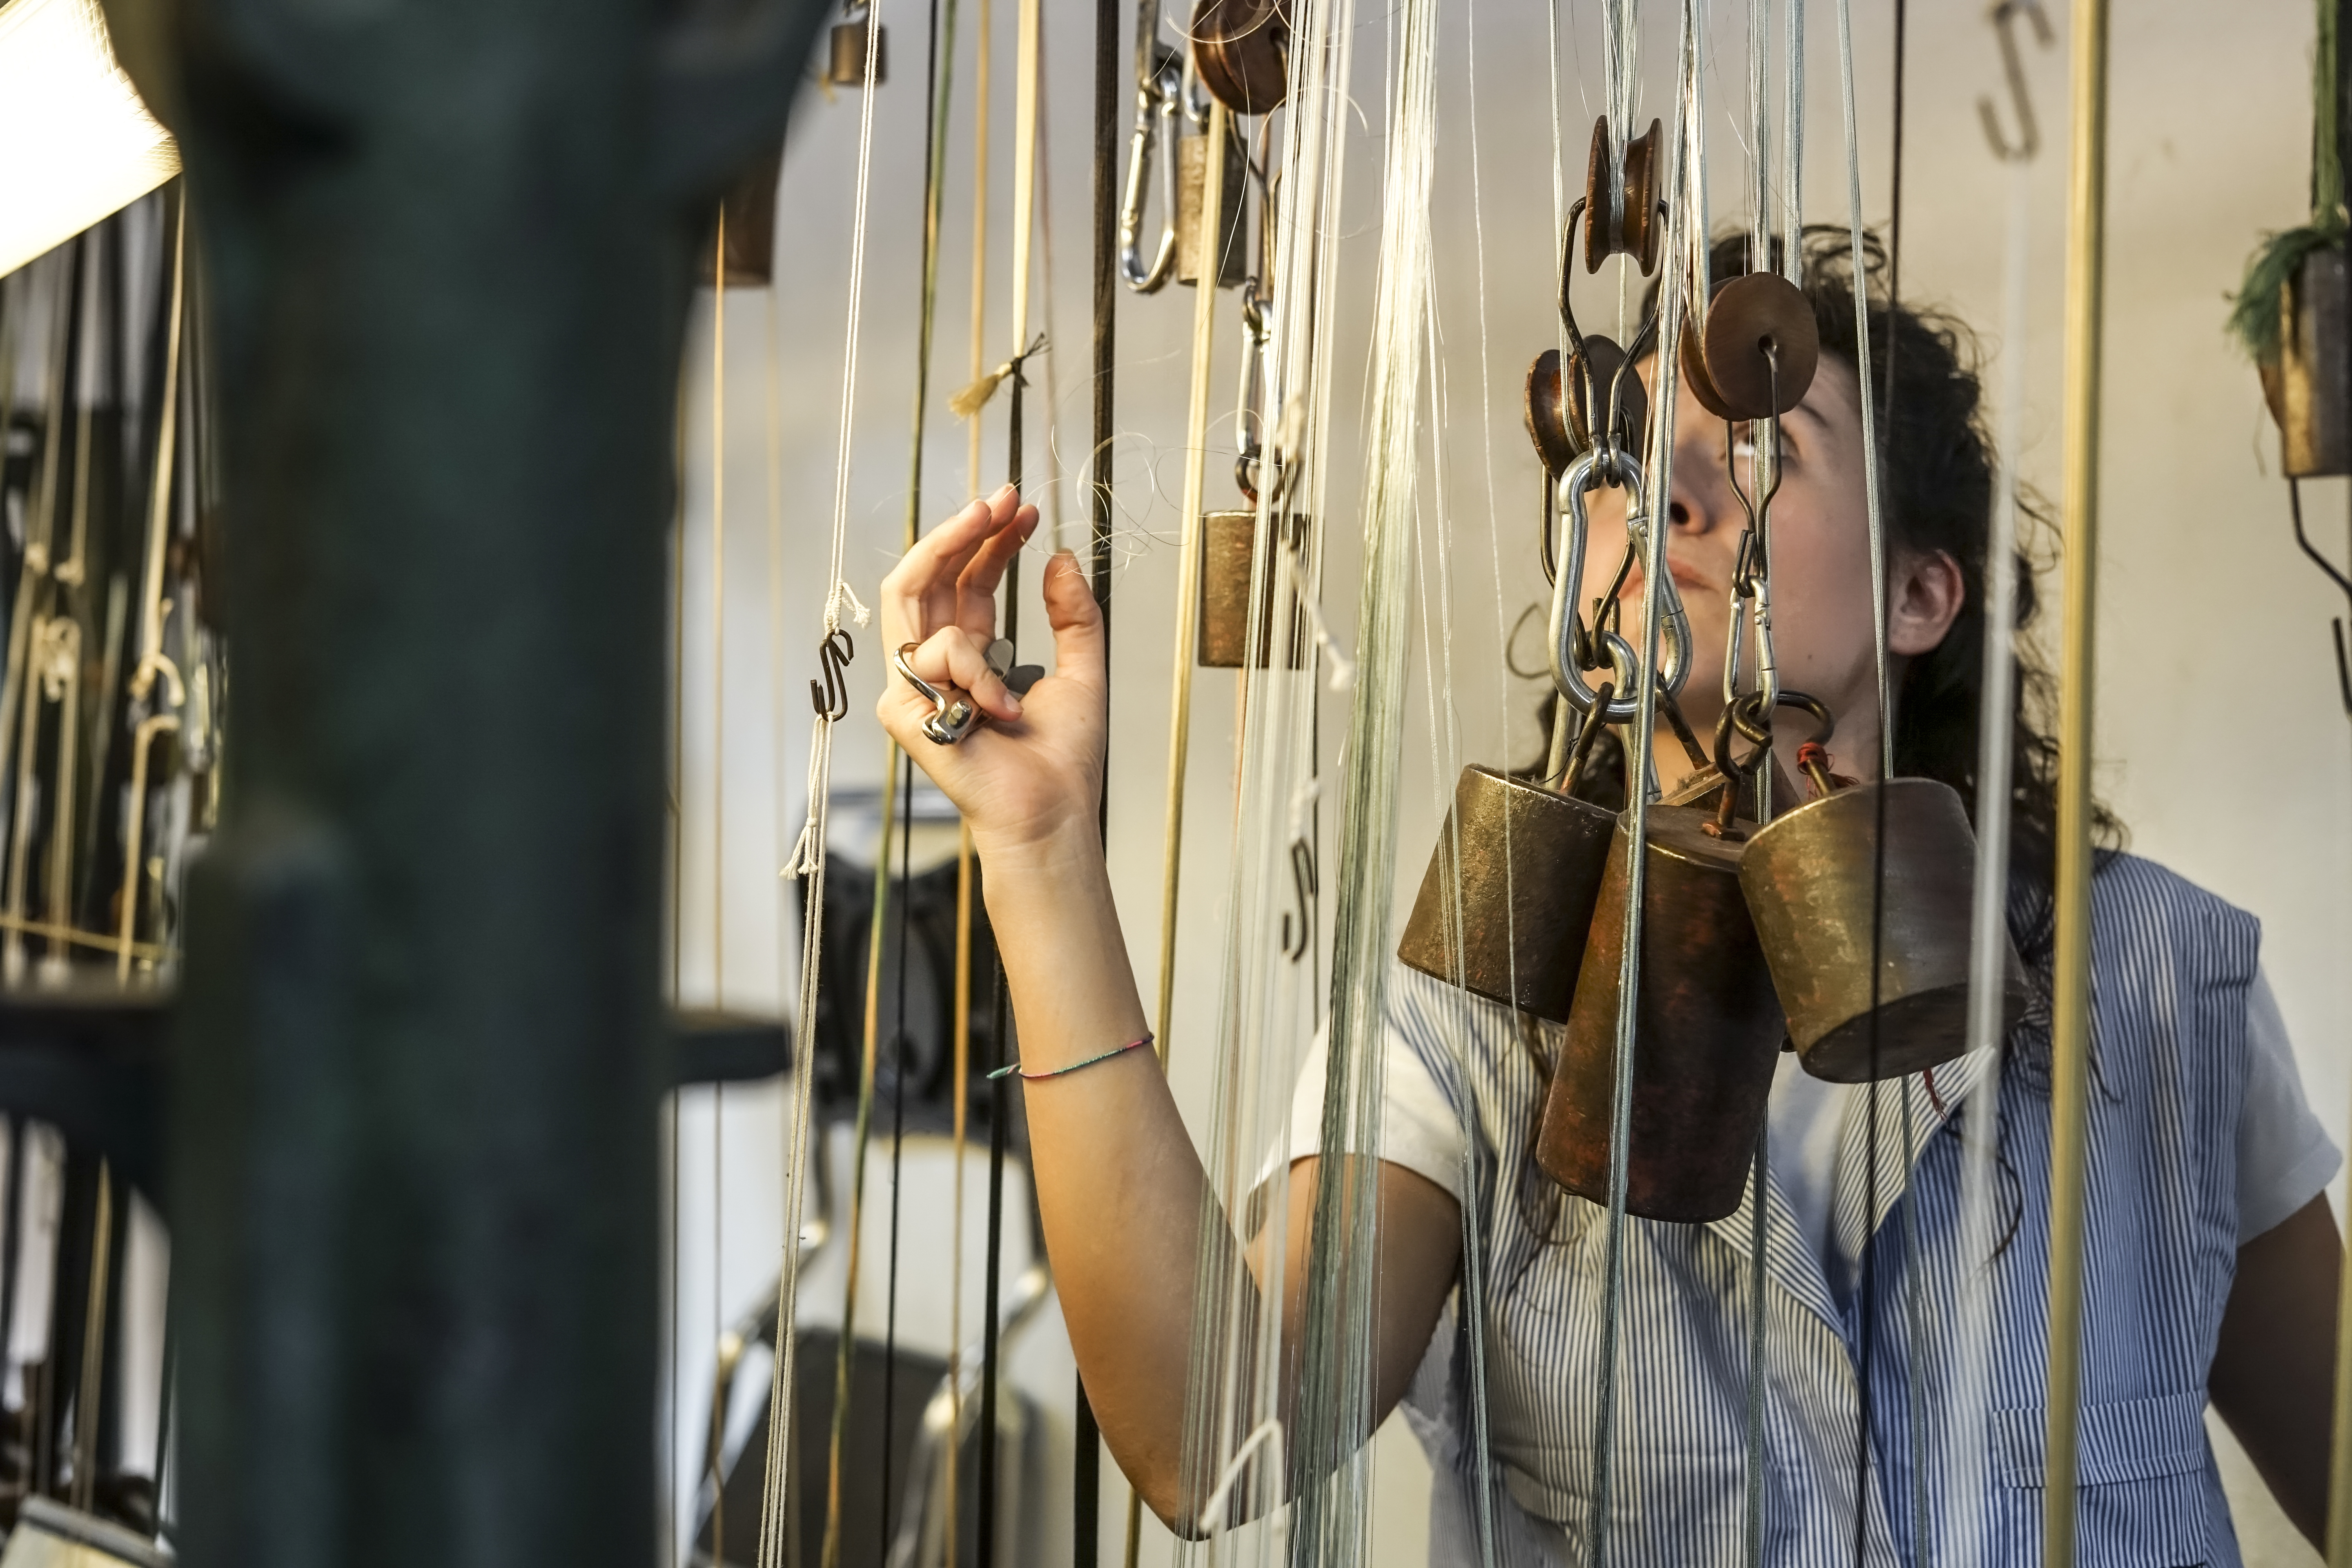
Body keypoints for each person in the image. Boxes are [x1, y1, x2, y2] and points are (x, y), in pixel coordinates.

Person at [874, 230, 2343, 1565]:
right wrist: (1042, 852)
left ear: (1921, 599)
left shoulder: (2154, 978)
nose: (1673, 492)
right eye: (1629, 454)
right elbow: (1211, 1441)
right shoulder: (1471, 1024)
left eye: (1766, 440)